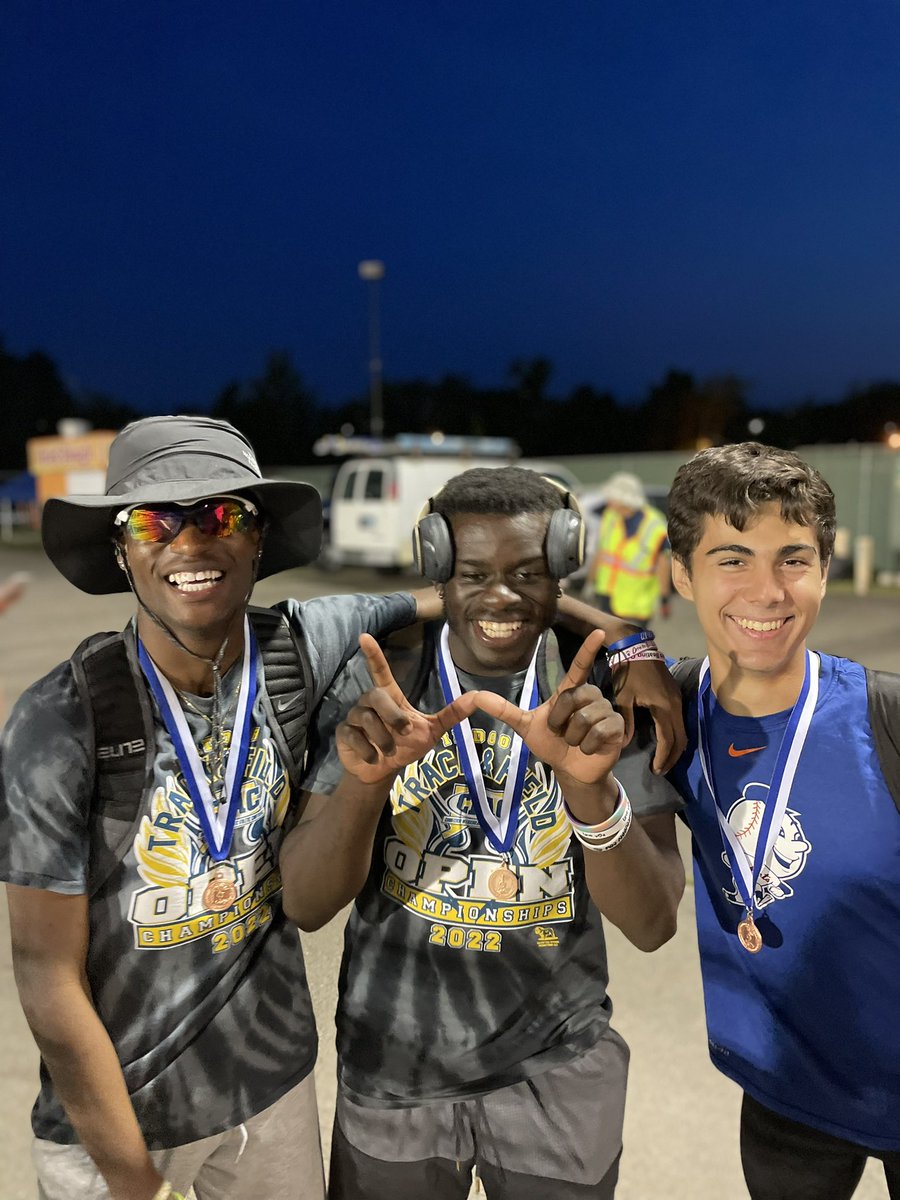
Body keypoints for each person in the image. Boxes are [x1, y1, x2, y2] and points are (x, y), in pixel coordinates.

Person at [0, 415, 429, 1200]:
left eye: (224, 513)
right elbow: (45, 974)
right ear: (121, 549)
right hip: (118, 1129)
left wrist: (633, 649)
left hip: (273, 1093)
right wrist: (132, 1179)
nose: (192, 542)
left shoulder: (298, 646)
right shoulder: (62, 717)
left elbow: (461, 598)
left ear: (258, 539)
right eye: (155, 520)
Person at [280, 467, 686, 1199]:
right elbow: (307, 903)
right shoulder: (382, 679)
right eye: (474, 573)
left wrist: (590, 790)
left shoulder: (604, 688)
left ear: (562, 569)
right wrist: (365, 786)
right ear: (440, 570)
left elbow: (654, 922)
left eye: (527, 573)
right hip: (392, 1069)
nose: (501, 596)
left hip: (557, 1065)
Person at [663, 442, 900, 1199]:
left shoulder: (884, 717)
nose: (768, 592)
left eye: (793, 559)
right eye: (732, 560)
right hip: (786, 1093)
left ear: (826, 571)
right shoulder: (664, 712)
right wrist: (631, 643)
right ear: (680, 573)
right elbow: (516, 617)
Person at [584, 470, 672, 625]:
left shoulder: (655, 526)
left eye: (612, 497)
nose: (608, 500)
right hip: (606, 597)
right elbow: (601, 552)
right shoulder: (610, 516)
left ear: (623, 499)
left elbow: (663, 565)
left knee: (632, 647)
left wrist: (664, 598)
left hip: (636, 607)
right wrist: (591, 582)